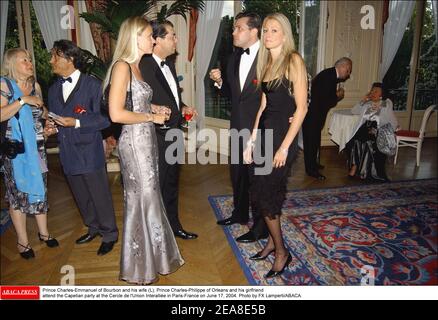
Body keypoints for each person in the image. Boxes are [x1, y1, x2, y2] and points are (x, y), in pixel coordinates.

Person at [104, 16, 184, 284]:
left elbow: (135, 104)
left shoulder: (137, 67)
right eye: (150, 35)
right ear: (135, 37)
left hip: (146, 140)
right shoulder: (122, 67)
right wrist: (151, 117)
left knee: (150, 198)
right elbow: (116, 114)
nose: (153, 39)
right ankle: (139, 266)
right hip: (134, 144)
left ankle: (154, 259)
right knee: (142, 200)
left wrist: (154, 109)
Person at [243, 13, 308, 278]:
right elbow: (263, 106)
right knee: (259, 191)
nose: (268, 35)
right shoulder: (267, 62)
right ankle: (272, 241)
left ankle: (282, 252)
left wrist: (283, 148)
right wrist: (251, 139)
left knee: (268, 194)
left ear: (285, 34)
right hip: (267, 133)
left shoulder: (294, 60)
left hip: (283, 136)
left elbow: (302, 108)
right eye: (266, 30)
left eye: (274, 30)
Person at [46, 40, 118, 255]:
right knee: (81, 196)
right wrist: (52, 128)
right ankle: (93, 227)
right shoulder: (52, 89)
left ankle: (109, 234)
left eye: (55, 56)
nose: (51, 61)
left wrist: (76, 122)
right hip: (67, 153)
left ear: (70, 59)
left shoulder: (93, 85)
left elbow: (106, 119)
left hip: (89, 152)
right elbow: (58, 119)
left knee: (99, 195)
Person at [209, 12, 268, 243]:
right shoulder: (233, 58)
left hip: (262, 129)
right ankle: (239, 213)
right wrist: (220, 81)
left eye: (238, 28)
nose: (233, 32)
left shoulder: (270, 57)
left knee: (259, 179)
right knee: (238, 175)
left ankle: (261, 227)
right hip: (237, 127)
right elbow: (231, 95)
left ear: (254, 31)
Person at [139, 19, 198, 240]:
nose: (176, 39)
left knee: (172, 183)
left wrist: (183, 107)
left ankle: (173, 226)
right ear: (157, 40)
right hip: (155, 136)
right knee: (156, 186)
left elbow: (172, 99)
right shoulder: (143, 67)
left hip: (173, 133)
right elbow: (135, 101)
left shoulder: (169, 64)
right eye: (172, 35)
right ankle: (156, 232)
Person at [0, 48, 58, 259]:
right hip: (15, 153)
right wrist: (23, 100)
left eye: (29, 59)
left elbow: (40, 114)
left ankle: (44, 233)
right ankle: (23, 242)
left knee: (40, 189)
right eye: (24, 59)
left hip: (37, 150)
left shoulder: (36, 86)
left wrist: (47, 126)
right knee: (17, 196)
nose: (29, 62)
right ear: (12, 64)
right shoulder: (4, 85)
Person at [302, 57, 352, 180]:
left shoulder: (330, 75)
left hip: (314, 115)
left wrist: (334, 96)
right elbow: (326, 100)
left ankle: (314, 164)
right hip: (312, 115)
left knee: (314, 141)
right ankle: (311, 170)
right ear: (343, 66)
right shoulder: (329, 76)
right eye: (349, 70)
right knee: (311, 143)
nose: (348, 74)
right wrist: (338, 96)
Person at [346, 82, 398, 181]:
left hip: (377, 130)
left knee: (367, 142)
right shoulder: (367, 104)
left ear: (382, 94)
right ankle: (355, 166)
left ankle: (362, 170)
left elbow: (392, 120)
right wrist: (363, 100)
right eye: (372, 90)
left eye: (376, 91)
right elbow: (353, 111)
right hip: (364, 128)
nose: (373, 93)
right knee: (353, 142)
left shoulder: (385, 105)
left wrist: (394, 130)